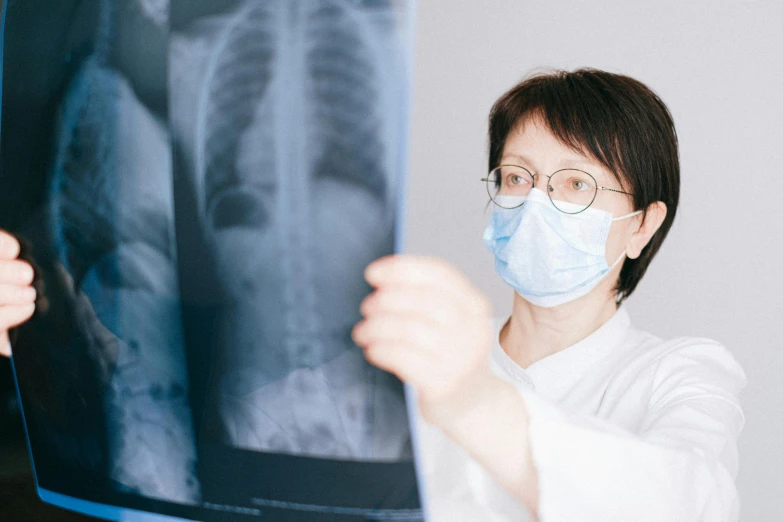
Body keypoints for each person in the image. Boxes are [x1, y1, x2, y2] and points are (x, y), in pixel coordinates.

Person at [0, 68, 746, 522]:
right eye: (516, 177)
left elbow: (689, 503)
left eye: (575, 185)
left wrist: (472, 401)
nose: (535, 204)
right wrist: (42, 335)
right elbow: (223, 431)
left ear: (642, 226)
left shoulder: (681, 372)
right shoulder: (417, 350)